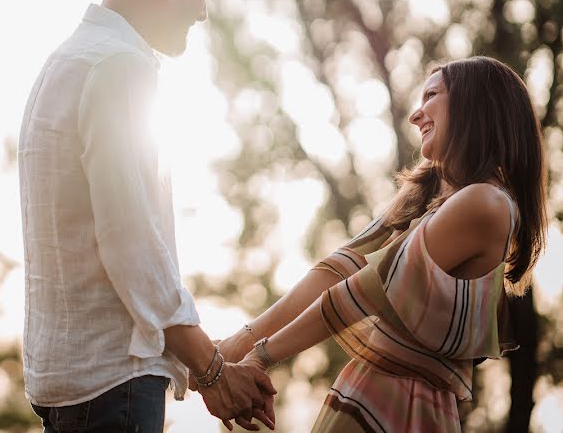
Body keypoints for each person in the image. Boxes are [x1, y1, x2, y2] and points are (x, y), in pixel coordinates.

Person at [18, 0, 276, 433]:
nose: (203, 13)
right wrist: (212, 370)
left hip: (67, 380)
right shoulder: (120, 67)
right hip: (114, 384)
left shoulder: (65, 61)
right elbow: (129, 240)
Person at [217, 56, 547, 432]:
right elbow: (338, 268)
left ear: (476, 106)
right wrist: (238, 343)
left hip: (402, 408)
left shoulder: (484, 203)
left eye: (432, 95)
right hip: (370, 395)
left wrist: (259, 358)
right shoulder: (434, 201)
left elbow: (362, 291)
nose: (415, 115)